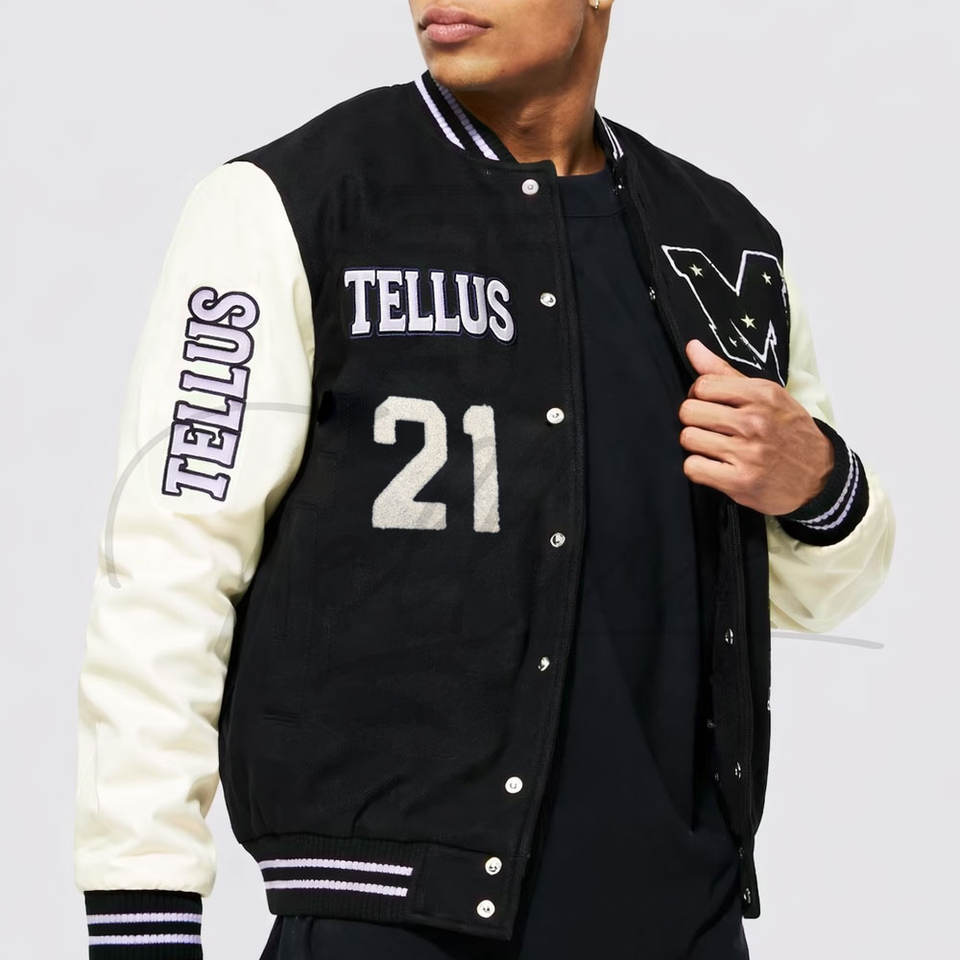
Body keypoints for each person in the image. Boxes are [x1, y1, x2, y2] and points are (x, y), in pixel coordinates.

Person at [73, 2, 896, 958]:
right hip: (390, 922)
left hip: (682, 923)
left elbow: (795, 596)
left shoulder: (719, 242)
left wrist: (820, 483)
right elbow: (167, 576)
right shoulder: (292, 202)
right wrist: (142, 919)